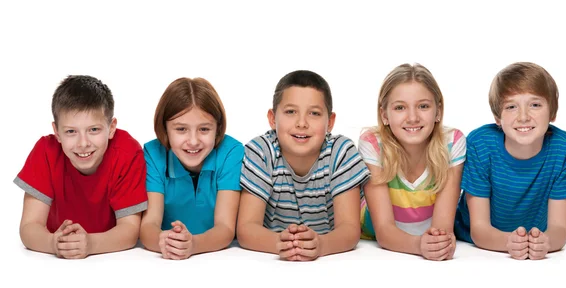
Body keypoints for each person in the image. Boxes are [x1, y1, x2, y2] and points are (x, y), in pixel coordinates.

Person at [454, 62, 566, 260]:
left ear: (552, 112)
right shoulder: (480, 144)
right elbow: (479, 230)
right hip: (470, 241)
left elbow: (559, 229)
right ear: (498, 118)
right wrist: (508, 242)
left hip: (533, 239)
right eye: (511, 106)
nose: (523, 117)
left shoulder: (563, 147)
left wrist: (547, 242)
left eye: (535, 105)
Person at [236, 70, 371, 261]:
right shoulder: (261, 151)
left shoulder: (341, 152)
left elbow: (349, 230)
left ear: (330, 122)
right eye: (290, 112)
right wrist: (280, 243)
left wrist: (321, 245)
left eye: (314, 113)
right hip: (273, 260)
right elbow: (246, 228)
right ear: (273, 118)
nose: (301, 123)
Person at [14, 75, 148, 259]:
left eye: (94, 130)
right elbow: (29, 226)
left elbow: (130, 230)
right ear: (57, 132)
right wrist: (53, 243)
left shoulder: (128, 152)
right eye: (71, 131)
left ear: (111, 128)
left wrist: (90, 244)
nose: (83, 143)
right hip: (53, 258)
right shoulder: (45, 151)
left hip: (111, 259)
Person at [358, 63, 465, 261]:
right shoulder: (373, 143)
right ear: (384, 115)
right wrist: (419, 246)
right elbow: (384, 231)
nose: (413, 117)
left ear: (438, 111)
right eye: (400, 108)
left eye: (423, 106)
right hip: (373, 232)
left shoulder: (452, 142)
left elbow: (442, 228)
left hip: (426, 234)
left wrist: (439, 243)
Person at [140, 77, 244, 260]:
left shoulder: (231, 152)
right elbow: (149, 225)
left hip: (219, 258)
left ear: (218, 129)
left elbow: (225, 228)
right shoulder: (153, 154)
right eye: (181, 129)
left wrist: (193, 244)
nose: (194, 141)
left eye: (204, 129)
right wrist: (163, 241)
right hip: (167, 258)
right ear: (164, 129)